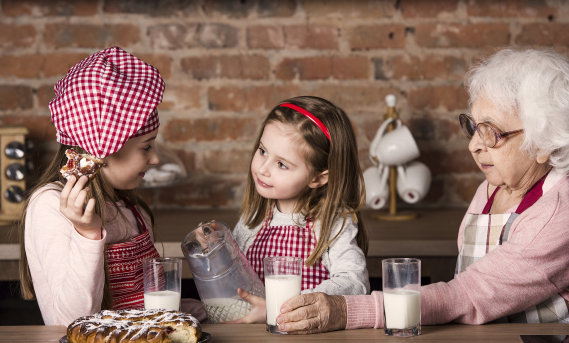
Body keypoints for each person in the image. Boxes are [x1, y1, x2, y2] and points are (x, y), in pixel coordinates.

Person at [273, 48, 569, 334]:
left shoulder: (563, 217)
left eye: (491, 133)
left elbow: (468, 294)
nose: (475, 146)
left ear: (546, 143)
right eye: (473, 127)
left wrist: (346, 311)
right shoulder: (493, 188)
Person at [19, 47, 204, 326]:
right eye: (146, 147)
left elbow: (148, 308)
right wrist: (88, 234)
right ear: (102, 151)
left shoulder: (130, 207)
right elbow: (70, 322)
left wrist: (208, 310)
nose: (154, 159)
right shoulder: (49, 207)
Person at [229, 96, 370, 323]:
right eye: (263, 151)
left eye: (282, 164)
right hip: (254, 342)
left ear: (318, 177)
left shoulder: (331, 223)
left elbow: (355, 282)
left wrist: (278, 307)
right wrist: (217, 251)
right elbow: (234, 282)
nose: (263, 169)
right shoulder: (252, 219)